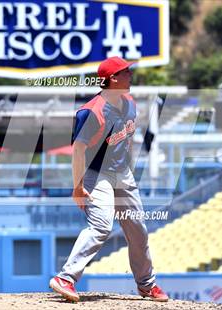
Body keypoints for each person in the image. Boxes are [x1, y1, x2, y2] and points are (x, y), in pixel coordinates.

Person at [49, 56, 168, 303]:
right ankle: (65, 278)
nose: (130, 74)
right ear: (113, 79)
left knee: (138, 231)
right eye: (125, 71)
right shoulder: (91, 112)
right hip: (95, 174)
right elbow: (79, 151)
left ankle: (146, 285)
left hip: (122, 174)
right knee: (101, 226)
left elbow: (124, 142)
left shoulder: (130, 103)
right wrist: (78, 186)